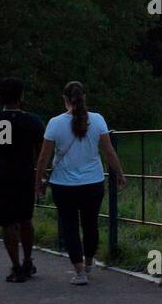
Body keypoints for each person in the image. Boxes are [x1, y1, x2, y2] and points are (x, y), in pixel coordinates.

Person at [35, 81, 127, 287]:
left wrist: (39, 180)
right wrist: (119, 173)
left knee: (69, 226)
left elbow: (43, 157)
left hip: (63, 184)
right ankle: (88, 262)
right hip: (93, 182)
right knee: (90, 223)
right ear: (84, 98)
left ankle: (79, 272)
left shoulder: (55, 123)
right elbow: (109, 151)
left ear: (65, 99)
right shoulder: (98, 120)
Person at [0, 77, 44, 283]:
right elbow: (42, 151)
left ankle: (16, 266)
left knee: (8, 223)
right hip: (24, 176)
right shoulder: (33, 121)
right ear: (22, 96)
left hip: (1, 177)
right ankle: (28, 260)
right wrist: (41, 174)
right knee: (26, 219)